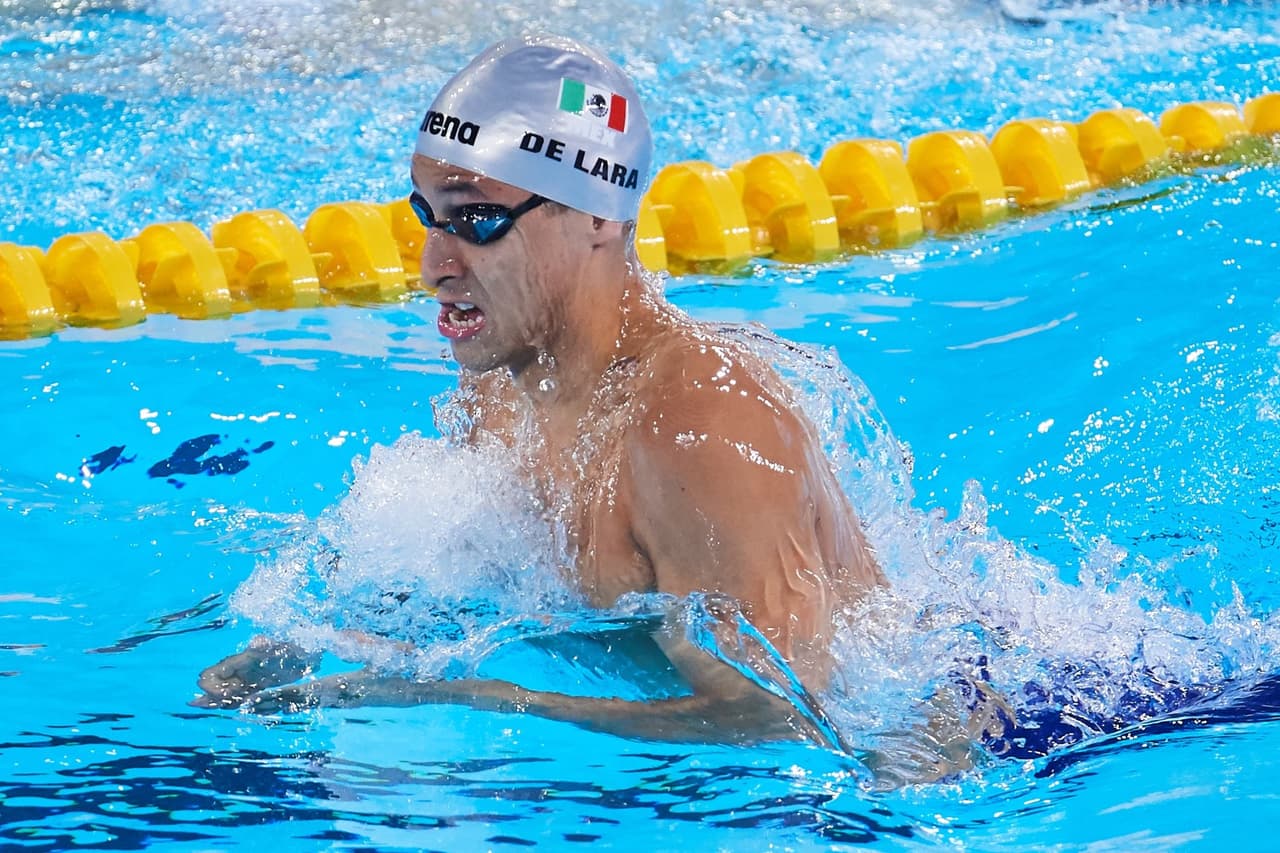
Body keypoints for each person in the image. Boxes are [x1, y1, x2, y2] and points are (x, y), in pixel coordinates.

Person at [196, 34, 888, 751]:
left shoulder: (698, 428)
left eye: (478, 221)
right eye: (428, 216)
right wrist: (313, 638)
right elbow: (458, 567)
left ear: (596, 216)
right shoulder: (499, 387)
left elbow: (785, 718)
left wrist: (491, 699)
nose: (435, 265)